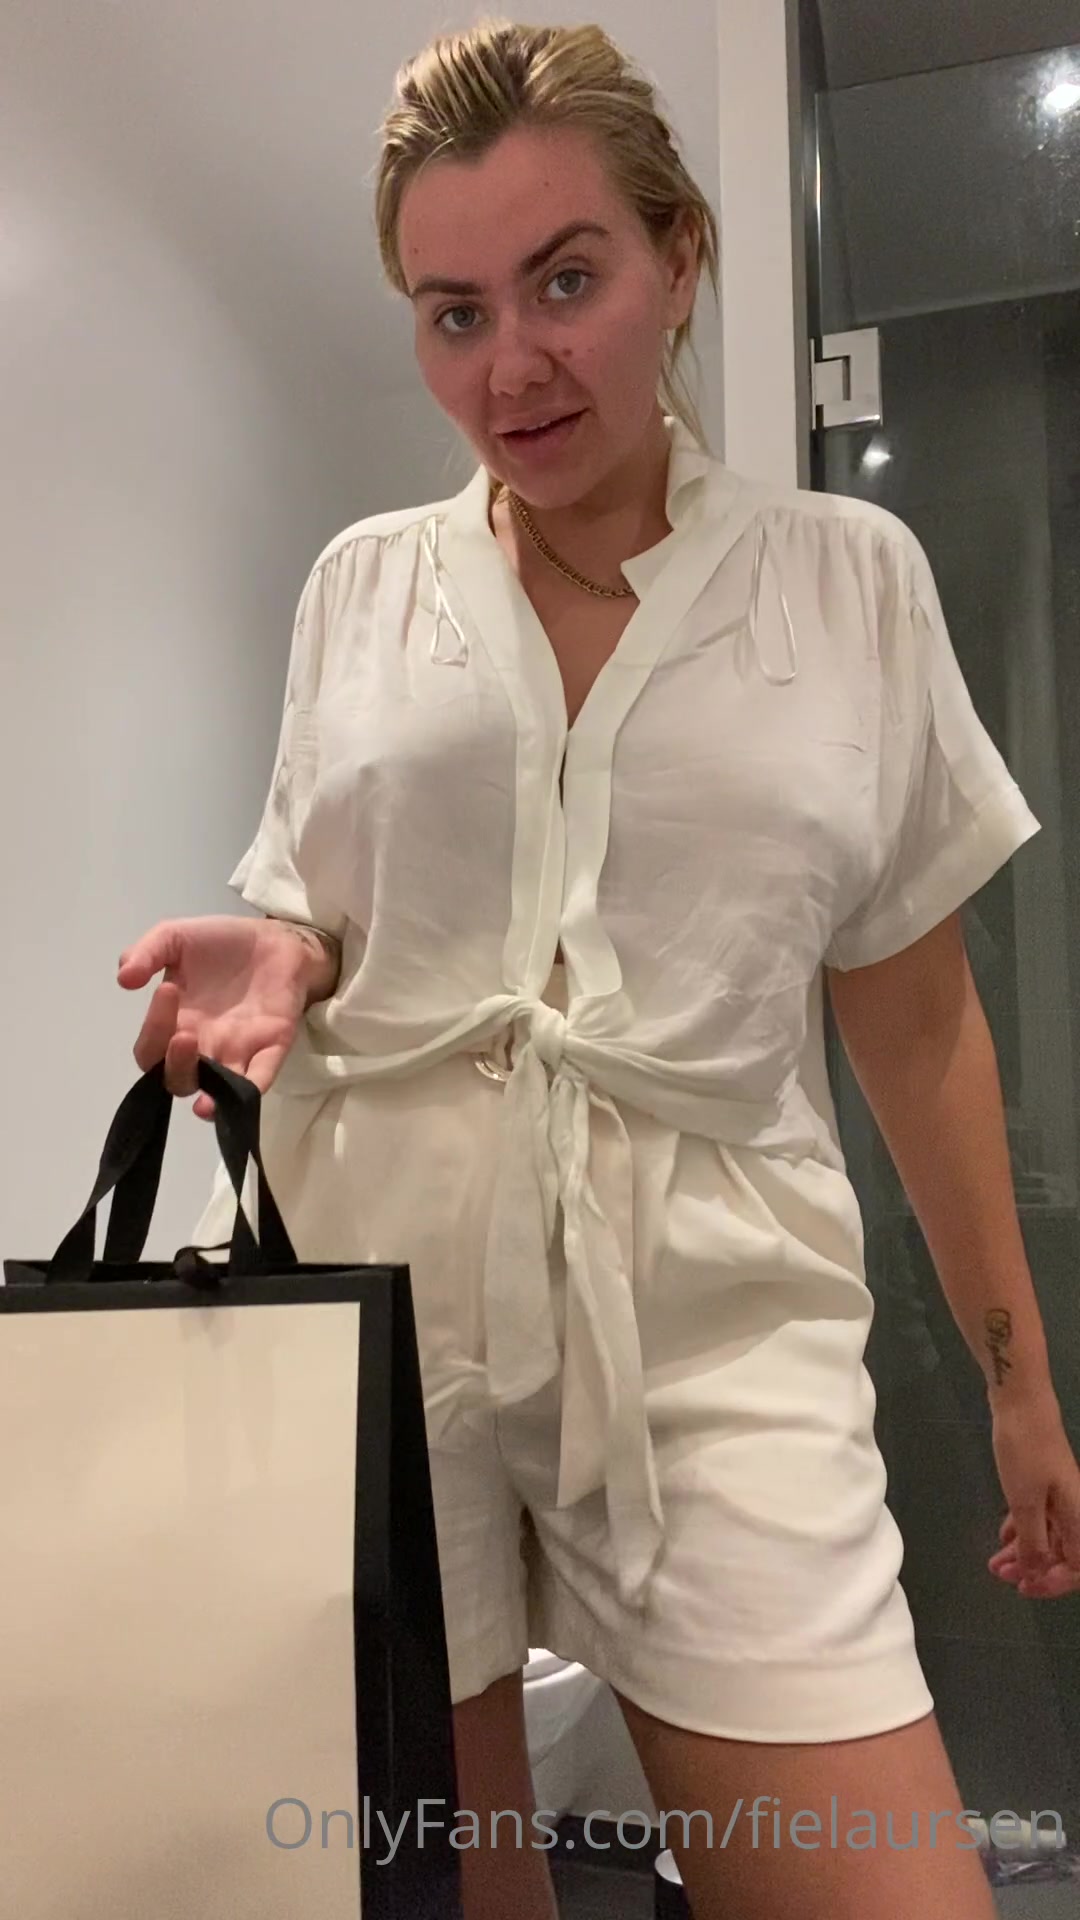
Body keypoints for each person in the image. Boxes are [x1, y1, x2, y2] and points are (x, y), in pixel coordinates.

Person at [117, 20, 1080, 1920]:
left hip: (716, 1335)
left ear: (681, 255)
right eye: (454, 311)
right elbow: (325, 907)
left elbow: (917, 1021)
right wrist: (285, 951)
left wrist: (1021, 1386)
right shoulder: (365, 588)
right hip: (383, 1307)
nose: (513, 365)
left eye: (567, 281)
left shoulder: (846, 582)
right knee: (445, 1886)